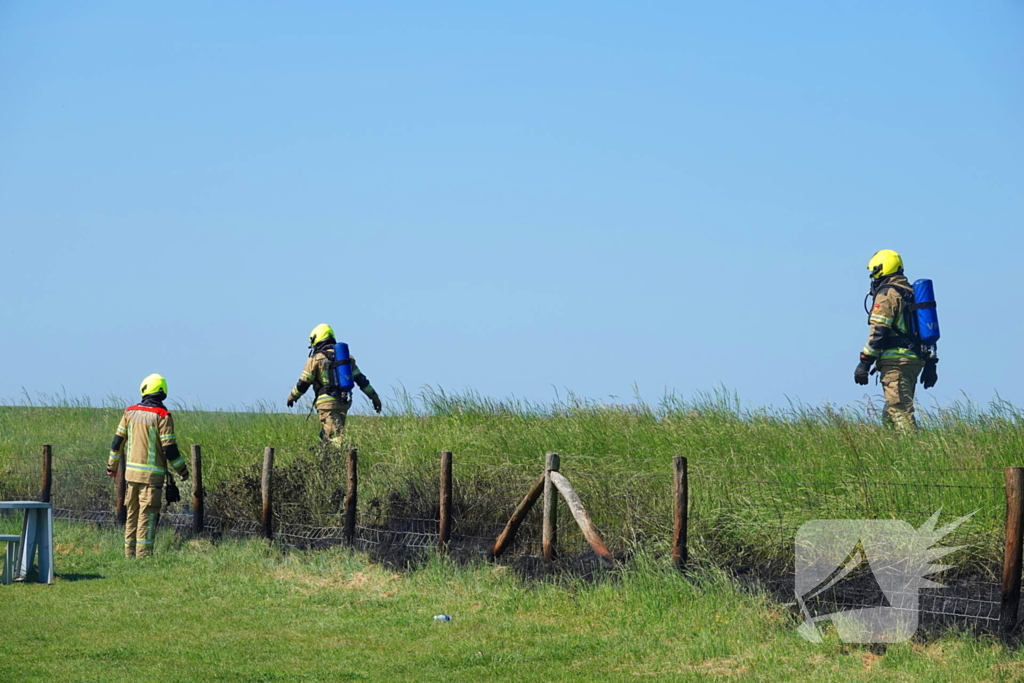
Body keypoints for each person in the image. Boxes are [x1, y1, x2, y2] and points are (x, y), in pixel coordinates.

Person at [106, 374, 189, 558]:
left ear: (144, 390)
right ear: (163, 392)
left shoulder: (129, 412)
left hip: (131, 476)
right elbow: (169, 450)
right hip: (151, 479)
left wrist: (112, 467)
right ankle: (143, 557)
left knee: (132, 515)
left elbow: (117, 442)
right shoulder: (163, 416)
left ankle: (129, 554)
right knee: (147, 516)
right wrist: (182, 471)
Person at [854, 249, 938, 431]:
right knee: (890, 416)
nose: (872, 277)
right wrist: (931, 364)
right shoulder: (911, 292)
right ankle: (894, 448)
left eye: (873, 272)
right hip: (914, 361)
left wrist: (864, 362)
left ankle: (915, 447)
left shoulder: (888, 294)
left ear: (881, 268)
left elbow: (879, 332)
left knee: (900, 411)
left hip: (896, 364)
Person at [285, 324, 382, 446]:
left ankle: (340, 457)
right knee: (326, 436)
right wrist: (374, 397)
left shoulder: (315, 359)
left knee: (335, 438)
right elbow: (362, 380)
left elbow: (303, 383)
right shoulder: (347, 359)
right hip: (344, 401)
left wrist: (292, 396)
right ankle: (324, 455)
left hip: (326, 404)